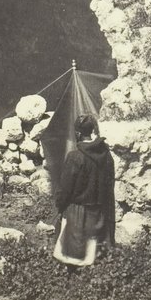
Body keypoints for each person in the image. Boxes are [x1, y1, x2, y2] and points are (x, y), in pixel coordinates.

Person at [52, 114, 116, 268]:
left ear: (78, 133)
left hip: (78, 215)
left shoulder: (75, 157)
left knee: (72, 259)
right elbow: (109, 184)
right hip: (99, 214)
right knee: (96, 257)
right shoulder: (106, 156)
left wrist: (60, 206)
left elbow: (65, 190)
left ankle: (72, 270)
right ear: (93, 130)